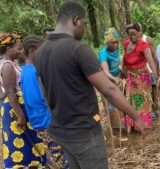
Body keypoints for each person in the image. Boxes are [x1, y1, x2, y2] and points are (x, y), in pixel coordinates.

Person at [35, 2, 147, 169]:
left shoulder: (41, 52)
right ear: (75, 20)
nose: (85, 29)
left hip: (61, 131)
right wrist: (136, 116)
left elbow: (44, 92)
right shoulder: (78, 49)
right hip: (85, 133)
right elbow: (108, 89)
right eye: (85, 24)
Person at [0, 32, 47, 169]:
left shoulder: (10, 63)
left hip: (17, 107)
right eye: (18, 48)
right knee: (21, 146)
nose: (20, 51)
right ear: (9, 48)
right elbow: (10, 92)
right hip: (14, 109)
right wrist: (20, 114)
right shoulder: (7, 65)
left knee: (28, 144)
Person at [21, 34, 68, 169]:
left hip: (47, 119)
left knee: (58, 153)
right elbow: (35, 100)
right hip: (46, 121)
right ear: (31, 50)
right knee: (56, 155)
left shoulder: (32, 69)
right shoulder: (30, 72)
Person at [122, 23, 157, 132]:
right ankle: (132, 124)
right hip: (130, 76)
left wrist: (155, 74)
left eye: (134, 34)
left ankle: (143, 125)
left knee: (141, 101)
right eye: (130, 34)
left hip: (142, 77)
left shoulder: (143, 45)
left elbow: (150, 60)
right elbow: (124, 60)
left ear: (138, 33)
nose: (132, 37)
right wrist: (123, 73)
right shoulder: (126, 44)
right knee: (130, 100)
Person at [98, 28, 127, 141]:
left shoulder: (115, 50)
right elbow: (105, 70)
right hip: (106, 82)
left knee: (120, 104)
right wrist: (114, 79)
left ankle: (121, 128)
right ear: (107, 42)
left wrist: (121, 73)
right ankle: (116, 132)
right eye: (112, 42)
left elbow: (118, 64)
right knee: (111, 107)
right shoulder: (103, 54)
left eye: (116, 42)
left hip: (117, 79)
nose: (115, 44)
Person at [137, 23, 159, 120]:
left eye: (140, 29)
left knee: (153, 90)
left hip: (149, 70)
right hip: (139, 72)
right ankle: (146, 111)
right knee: (143, 91)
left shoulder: (148, 40)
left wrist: (155, 70)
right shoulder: (132, 41)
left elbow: (154, 56)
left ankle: (154, 110)